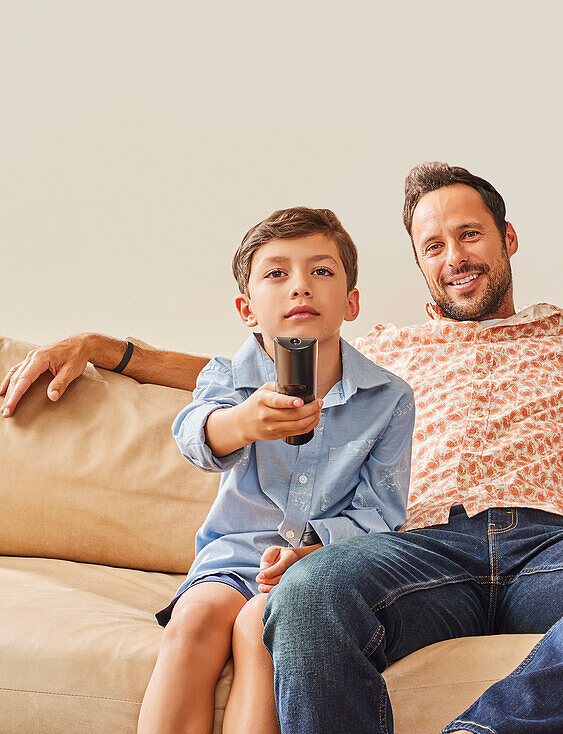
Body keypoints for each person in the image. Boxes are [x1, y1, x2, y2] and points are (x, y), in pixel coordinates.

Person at [0, 163, 563, 734]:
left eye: (470, 234)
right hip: (415, 556)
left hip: (552, 553)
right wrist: (105, 347)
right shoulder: (382, 352)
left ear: (507, 239)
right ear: (418, 264)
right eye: (433, 245)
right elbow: (232, 374)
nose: (454, 255)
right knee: (305, 591)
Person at [141, 207, 415, 734]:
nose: (300, 288)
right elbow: (195, 435)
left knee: (257, 628)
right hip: (233, 554)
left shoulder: (389, 398)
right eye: (276, 273)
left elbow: (380, 512)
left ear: (351, 302)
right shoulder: (229, 376)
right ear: (247, 308)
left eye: (322, 271)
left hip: (316, 567)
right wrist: (241, 423)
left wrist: (311, 550)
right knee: (193, 621)